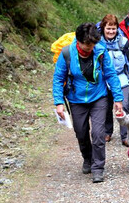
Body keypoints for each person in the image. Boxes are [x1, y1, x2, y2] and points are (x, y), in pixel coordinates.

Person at [53, 22, 123, 183]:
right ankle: (88, 158)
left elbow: (111, 74)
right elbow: (58, 78)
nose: (88, 50)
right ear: (78, 42)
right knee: (81, 132)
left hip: (99, 97)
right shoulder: (67, 53)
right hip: (76, 99)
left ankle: (98, 168)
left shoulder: (100, 51)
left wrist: (118, 98)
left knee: (98, 133)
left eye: (91, 47)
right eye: (86, 48)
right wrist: (59, 102)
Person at [99, 14, 129, 146]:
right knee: (105, 107)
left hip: (121, 78)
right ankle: (107, 132)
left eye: (113, 28)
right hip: (103, 80)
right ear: (103, 29)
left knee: (124, 106)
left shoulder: (123, 42)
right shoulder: (98, 43)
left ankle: (125, 135)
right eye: (108, 29)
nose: (111, 31)